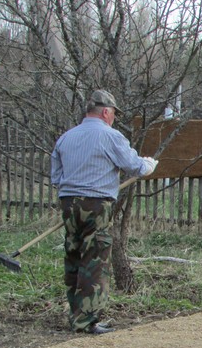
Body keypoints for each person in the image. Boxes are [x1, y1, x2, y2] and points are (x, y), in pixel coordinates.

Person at [51, 89, 158, 334]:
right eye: (113, 115)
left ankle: (76, 314)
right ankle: (86, 321)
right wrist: (149, 165)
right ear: (106, 112)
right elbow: (134, 166)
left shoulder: (66, 138)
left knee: (74, 256)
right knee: (94, 260)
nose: (113, 119)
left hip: (68, 203)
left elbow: (56, 177)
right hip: (96, 204)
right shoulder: (110, 136)